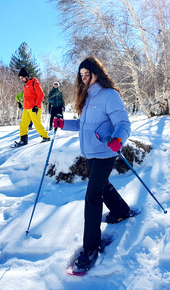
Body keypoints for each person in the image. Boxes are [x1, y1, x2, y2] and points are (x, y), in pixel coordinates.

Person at [53, 57, 133, 271]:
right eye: (81, 75)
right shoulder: (87, 97)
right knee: (102, 186)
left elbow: (123, 123)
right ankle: (121, 210)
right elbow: (82, 124)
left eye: (87, 74)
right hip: (90, 153)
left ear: (97, 72)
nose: (84, 78)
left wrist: (118, 139)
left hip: (106, 152)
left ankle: (91, 247)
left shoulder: (109, 95)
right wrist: (63, 124)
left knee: (92, 196)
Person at [13, 67, 50, 147]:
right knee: (23, 124)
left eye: (22, 78)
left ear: (26, 76)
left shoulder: (35, 83)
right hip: (26, 108)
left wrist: (36, 106)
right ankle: (23, 140)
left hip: (34, 108)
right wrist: (21, 103)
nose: (21, 80)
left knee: (37, 124)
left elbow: (41, 95)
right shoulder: (25, 86)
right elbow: (27, 97)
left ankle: (45, 137)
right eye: (20, 78)